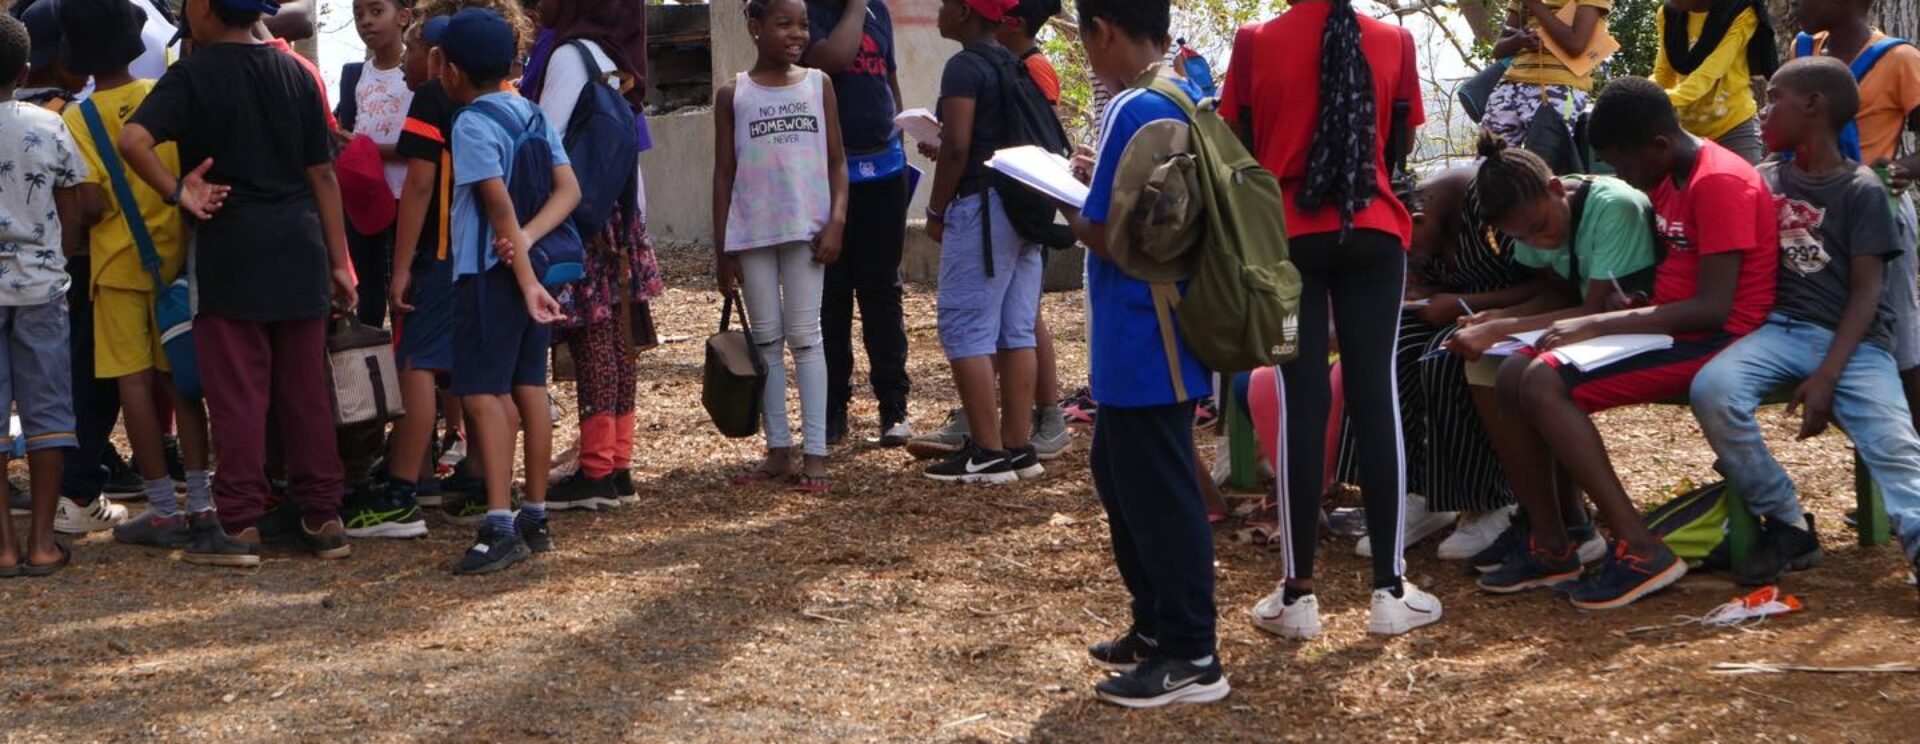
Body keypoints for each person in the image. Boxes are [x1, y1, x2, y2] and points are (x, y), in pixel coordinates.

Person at [1478, 76, 1776, 609]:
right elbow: (1677, 270)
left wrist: (1598, 324)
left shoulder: (1717, 182)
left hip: (1718, 337)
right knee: (1513, 372)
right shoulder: (1670, 174)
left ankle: (1641, 549)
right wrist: (1630, 303)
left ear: (1658, 144)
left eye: (1624, 164)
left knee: (1543, 381)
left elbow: (1716, 307)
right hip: (1672, 325)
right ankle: (1553, 542)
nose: (1622, 177)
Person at [1220, 0, 1442, 640]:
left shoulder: (1255, 41)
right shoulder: (1396, 40)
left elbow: (1242, 150)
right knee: (1376, 399)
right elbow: (1396, 147)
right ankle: (1390, 590)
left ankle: (1298, 596)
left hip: (1288, 239)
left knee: (1302, 403)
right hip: (1374, 230)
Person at [120, 0, 356, 564]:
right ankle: (324, 515)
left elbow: (133, 141)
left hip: (230, 250)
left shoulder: (192, 74)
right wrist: (340, 261)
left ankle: (240, 523)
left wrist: (178, 190)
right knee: (305, 391)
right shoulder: (296, 72)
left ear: (204, 8)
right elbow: (323, 173)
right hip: (300, 247)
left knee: (238, 395)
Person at [1690, 57, 1920, 599]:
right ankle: (1787, 519)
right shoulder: (1764, 180)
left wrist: (1827, 378)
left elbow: (1866, 294)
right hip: (1779, 330)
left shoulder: (1862, 190)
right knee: (1713, 390)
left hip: (1856, 343)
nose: (1763, 111)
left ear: (1814, 106)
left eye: (1774, 99)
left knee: (1894, 444)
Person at [1057, 0, 1225, 708]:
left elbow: (1106, 234)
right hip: (1166, 326)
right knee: (1121, 470)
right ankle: (1157, 625)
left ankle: (1191, 653)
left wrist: (1064, 197)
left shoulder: (1132, 106)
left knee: (1160, 491)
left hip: (1142, 329)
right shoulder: (1183, 85)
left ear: (1102, 30)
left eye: (1085, 38)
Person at [1444, 133, 1660, 579]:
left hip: (1642, 325)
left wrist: (1501, 327)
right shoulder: (1530, 217)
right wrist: (1500, 317)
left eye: (1540, 228)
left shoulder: (1612, 208)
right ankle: (1552, 521)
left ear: (1557, 188)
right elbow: (1558, 292)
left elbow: (1592, 311)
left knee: (1525, 374)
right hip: (1592, 322)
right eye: (1520, 237)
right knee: (1484, 366)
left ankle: (1562, 531)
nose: (1537, 242)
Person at [51, 0, 218, 556]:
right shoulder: (161, 94)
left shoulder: (76, 119)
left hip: (116, 268)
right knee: (181, 380)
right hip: (175, 262)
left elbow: (91, 204)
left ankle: (162, 509)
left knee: (135, 385)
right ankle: (201, 500)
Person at [1329, 166, 1542, 563]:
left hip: (1514, 318)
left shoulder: (1491, 201)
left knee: (1444, 358)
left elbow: (1546, 285)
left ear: (1417, 221)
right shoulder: (1425, 217)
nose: (1405, 260)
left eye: (1405, 251)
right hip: (1454, 312)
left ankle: (1489, 499)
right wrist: (1424, 290)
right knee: (1383, 348)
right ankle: (1419, 489)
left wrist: (1462, 303)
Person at [431, 7, 575, 575]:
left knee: (483, 394)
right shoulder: (532, 112)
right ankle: (534, 516)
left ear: (451, 70)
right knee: (529, 387)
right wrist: (530, 245)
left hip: (488, 276)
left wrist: (522, 272)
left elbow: (497, 206)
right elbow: (569, 191)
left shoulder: (470, 123)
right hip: (526, 270)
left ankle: (498, 524)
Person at [523, 0, 661, 509]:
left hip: (581, 222)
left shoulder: (569, 57)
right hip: (616, 219)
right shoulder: (612, 56)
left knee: (594, 344)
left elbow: (547, 145)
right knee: (617, 343)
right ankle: (617, 463)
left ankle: (597, 470)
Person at [713, 0, 848, 493]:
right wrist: (723, 249)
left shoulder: (818, 85)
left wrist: (836, 221)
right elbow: (723, 173)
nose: (797, 33)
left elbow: (837, 162)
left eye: (804, 25)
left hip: (807, 232)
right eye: (783, 23)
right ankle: (778, 450)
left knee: (807, 337)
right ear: (755, 27)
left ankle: (815, 454)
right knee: (765, 340)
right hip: (752, 234)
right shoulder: (734, 94)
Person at [919, 0, 1043, 485]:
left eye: (946, 4)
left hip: (982, 209)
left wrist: (936, 210)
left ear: (965, 13)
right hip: (1022, 208)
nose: (939, 11)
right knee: (1016, 330)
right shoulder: (1015, 63)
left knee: (964, 326)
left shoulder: (964, 67)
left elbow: (958, 146)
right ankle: (1019, 447)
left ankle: (987, 453)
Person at [1794, 0, 1920, 439]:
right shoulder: (1804, 49)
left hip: (1877, 208)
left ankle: (1911, 445)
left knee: (1899, 331)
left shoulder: (1899, 59)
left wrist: (1903, 168)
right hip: (1811, 210)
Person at [802, 0, 914, 447]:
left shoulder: (877, 11)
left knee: (882, 291)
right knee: (832, 295)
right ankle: (833, 407)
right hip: (830, 175)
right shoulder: (810, 12)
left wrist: (900, 136)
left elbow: (889, 78)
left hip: (884, 170)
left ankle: (894, 405)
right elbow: (834, 58)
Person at [0, 11, 83, 578]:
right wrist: (59, 258)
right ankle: (42, 543)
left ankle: (3, 547)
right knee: (47, 410)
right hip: (41, 287)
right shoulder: (49, 124)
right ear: (25, 71)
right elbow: (71, 210)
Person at [337, 0, 416, 329]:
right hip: (365, 197)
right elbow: (348, 129)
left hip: (406, 196)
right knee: (368, 285)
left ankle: (405, 352)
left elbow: (420, 146)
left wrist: (368, 149)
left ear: (403, 17)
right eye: (358, 15)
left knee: (405, 286)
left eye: (376, 11)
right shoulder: (355, 75)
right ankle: (369, 347)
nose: (366, 21)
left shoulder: (417, 71)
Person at [1482, 0, 1609, 166]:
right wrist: (1519, 40)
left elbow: (1576, 44)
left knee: (1543, 165)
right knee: (1487, 164)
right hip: (1510, 85)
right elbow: (1498, 50)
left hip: (1560, 88)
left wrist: (1534, 5)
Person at [1651, 0, 1775, 163]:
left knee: (1740, 180)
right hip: (1684, 134)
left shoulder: (1740, 10)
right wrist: (1645, 96)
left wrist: (1657, 100)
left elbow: (1710, 71)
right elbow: (1663, 73)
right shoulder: (1668, 14)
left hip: (1733, 128)